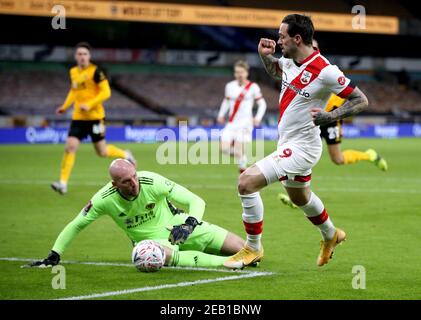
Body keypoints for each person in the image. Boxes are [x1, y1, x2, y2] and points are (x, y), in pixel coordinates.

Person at [224, 14, 369, 269]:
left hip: (303, 148)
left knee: (246, 182)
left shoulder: (326, 71)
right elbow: (277, 73)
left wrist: (330, 116)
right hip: (288, 143)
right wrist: (264, 56)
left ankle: (252, 248)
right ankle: (331, 235)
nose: (278, 41)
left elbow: (361, 99)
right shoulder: (290, 61)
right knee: (300, 197)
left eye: (282, 36)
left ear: (297, 38)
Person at [30, 159, 245, 269]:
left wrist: (189, 225)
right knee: (158, 254)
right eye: (126, 181)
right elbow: (78, 224)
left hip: (181, 226)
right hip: (151, 243)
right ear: (115, 184)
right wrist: (55, 253)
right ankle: (221, 262)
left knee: (250, 253)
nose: (134, 183)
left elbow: (196, 201)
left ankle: (214, 253)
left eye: (134, 176)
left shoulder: (151, 180)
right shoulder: (104, 199)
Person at [278, 39, 387, 209]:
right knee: (295, 154)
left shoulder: (326, 71)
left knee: (338, 158)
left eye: (314, 47)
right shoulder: (296, 68)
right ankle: (298, 197)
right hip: (307, 121)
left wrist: (331, 115)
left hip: (328, 119)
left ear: (316, 49)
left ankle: (369, 155)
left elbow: (352, 96)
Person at [51, 42, 136, 195]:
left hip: (96, 118)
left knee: (102, 152)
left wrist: (89, 104)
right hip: (78, 118)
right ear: (75, 56)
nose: (82, 57)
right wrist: (65, 106)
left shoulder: (96, 72)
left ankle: (125, 155)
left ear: (89, 56)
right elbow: (74, 91)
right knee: (70, 147)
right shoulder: (73, 72)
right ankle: (62, 183)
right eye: (79, 54)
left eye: (85, 54)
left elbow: (106, 92)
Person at [217, 60, 267, 173]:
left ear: (246, 73)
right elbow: (226, 101)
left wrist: (258, 118)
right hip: (231, 123)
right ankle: (243, 158)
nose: (239, 75)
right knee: (224, 149)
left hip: (245, 125)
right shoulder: (229, 86)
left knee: (239, 148)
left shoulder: (253, 87)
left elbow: (262, 104)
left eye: (241, 72)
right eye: (237, 72)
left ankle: (243, 172)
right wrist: (221, 114)